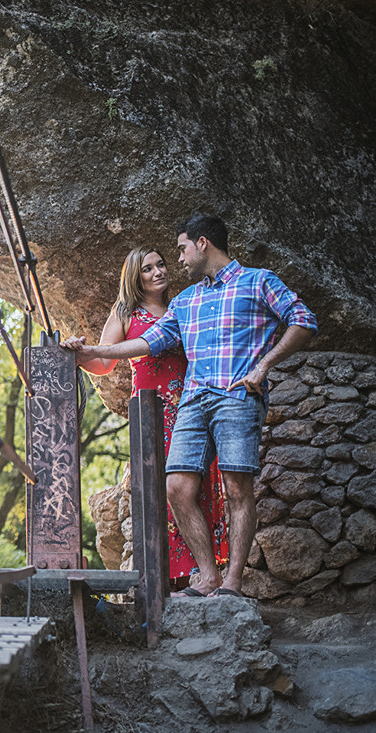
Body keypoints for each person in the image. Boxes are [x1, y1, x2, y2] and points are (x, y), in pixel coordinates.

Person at [63, 213, 317, 598]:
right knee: (178, 488)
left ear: (202, 243)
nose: (177, 260)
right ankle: (208, 576)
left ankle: (231, 583)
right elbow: (149, 341)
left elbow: (303, 320)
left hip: (236, 397)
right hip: (193, 403)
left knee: (236, 488)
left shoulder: (258, 281)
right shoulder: (186, 299)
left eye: (181, 250)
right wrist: (93, 352)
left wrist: (264, 365)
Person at [65, 245, 228, 592]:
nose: (158, 272)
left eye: (161, 264)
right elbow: (103, 363)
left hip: (190, 408)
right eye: (148, 269)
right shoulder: (125, 312)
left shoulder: (182, 307)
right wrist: (78, 354)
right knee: (158, 490)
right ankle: (165, 580)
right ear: (134, 278)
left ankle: (203, 575)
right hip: (151, 414)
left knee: (194, 488)